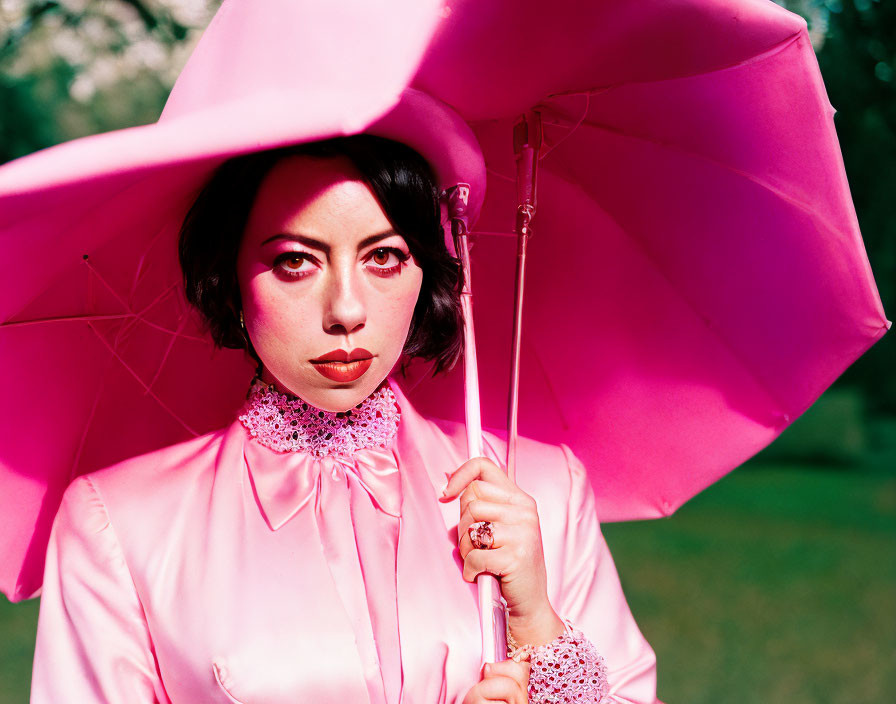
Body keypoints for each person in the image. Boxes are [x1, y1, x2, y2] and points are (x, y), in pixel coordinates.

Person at [30, 135, 659, 703]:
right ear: (229, 285)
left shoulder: (536, 490)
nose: (347, 309)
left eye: (383, 257)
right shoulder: (120, 522)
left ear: (426, 277)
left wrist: (537, 625)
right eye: (296, 262)